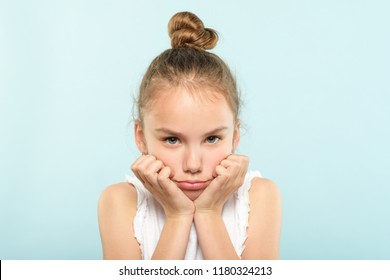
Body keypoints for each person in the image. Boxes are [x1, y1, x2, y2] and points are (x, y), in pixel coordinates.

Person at [98, 11, 282, 260]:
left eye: (212, 139)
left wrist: (208, 212)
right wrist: (178, 216)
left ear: (235, 135)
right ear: (140, 137)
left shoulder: (259, 197)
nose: (193, 165)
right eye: (172, 140)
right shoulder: (121, 201)